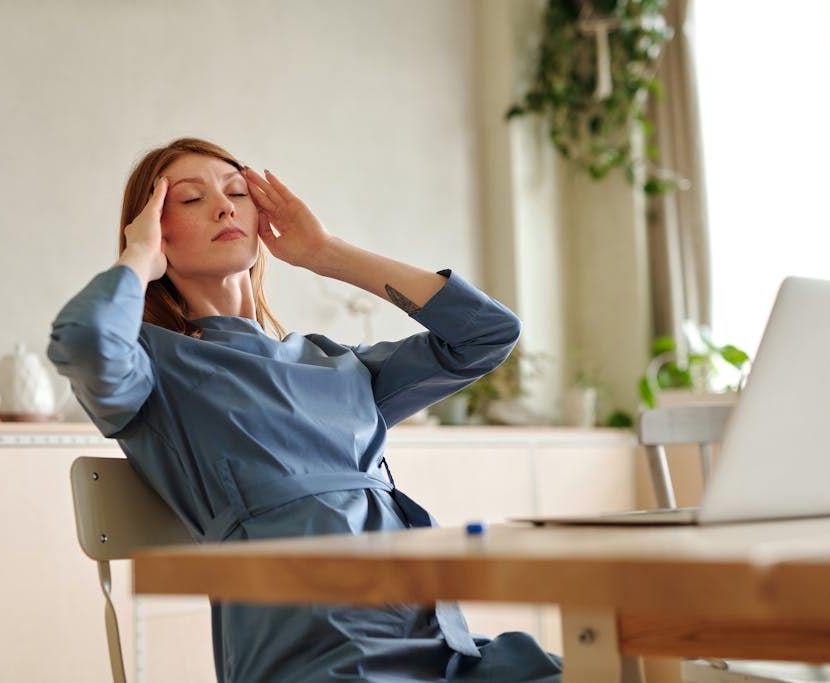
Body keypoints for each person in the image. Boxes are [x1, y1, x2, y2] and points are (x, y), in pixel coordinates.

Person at [47, 138, 562, 683]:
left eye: (238, 192)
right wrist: (137, 259)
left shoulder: (333, 361)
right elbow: (83, 340)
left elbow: (487, 335)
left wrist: (326, 254)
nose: (224, 207)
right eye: (191, 200)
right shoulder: (154, 367)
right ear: (153, 228)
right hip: (316, 654)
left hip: (439, 642)